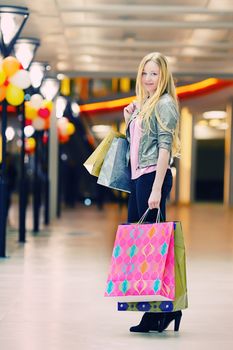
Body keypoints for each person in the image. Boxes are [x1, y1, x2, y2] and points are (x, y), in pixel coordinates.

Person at [123, 52, 181, 333]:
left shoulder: (165, 104)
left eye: (154, 74)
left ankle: (154, 313)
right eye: (145, 73)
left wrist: (156, 189)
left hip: (151, 179)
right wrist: (129, 120)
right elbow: (135, 147)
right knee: (147, 248)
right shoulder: (146, 105)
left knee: (149, 252)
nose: (148, 79)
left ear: (164, 76)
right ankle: (169, 308)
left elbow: (164, 149)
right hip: (139, 179)